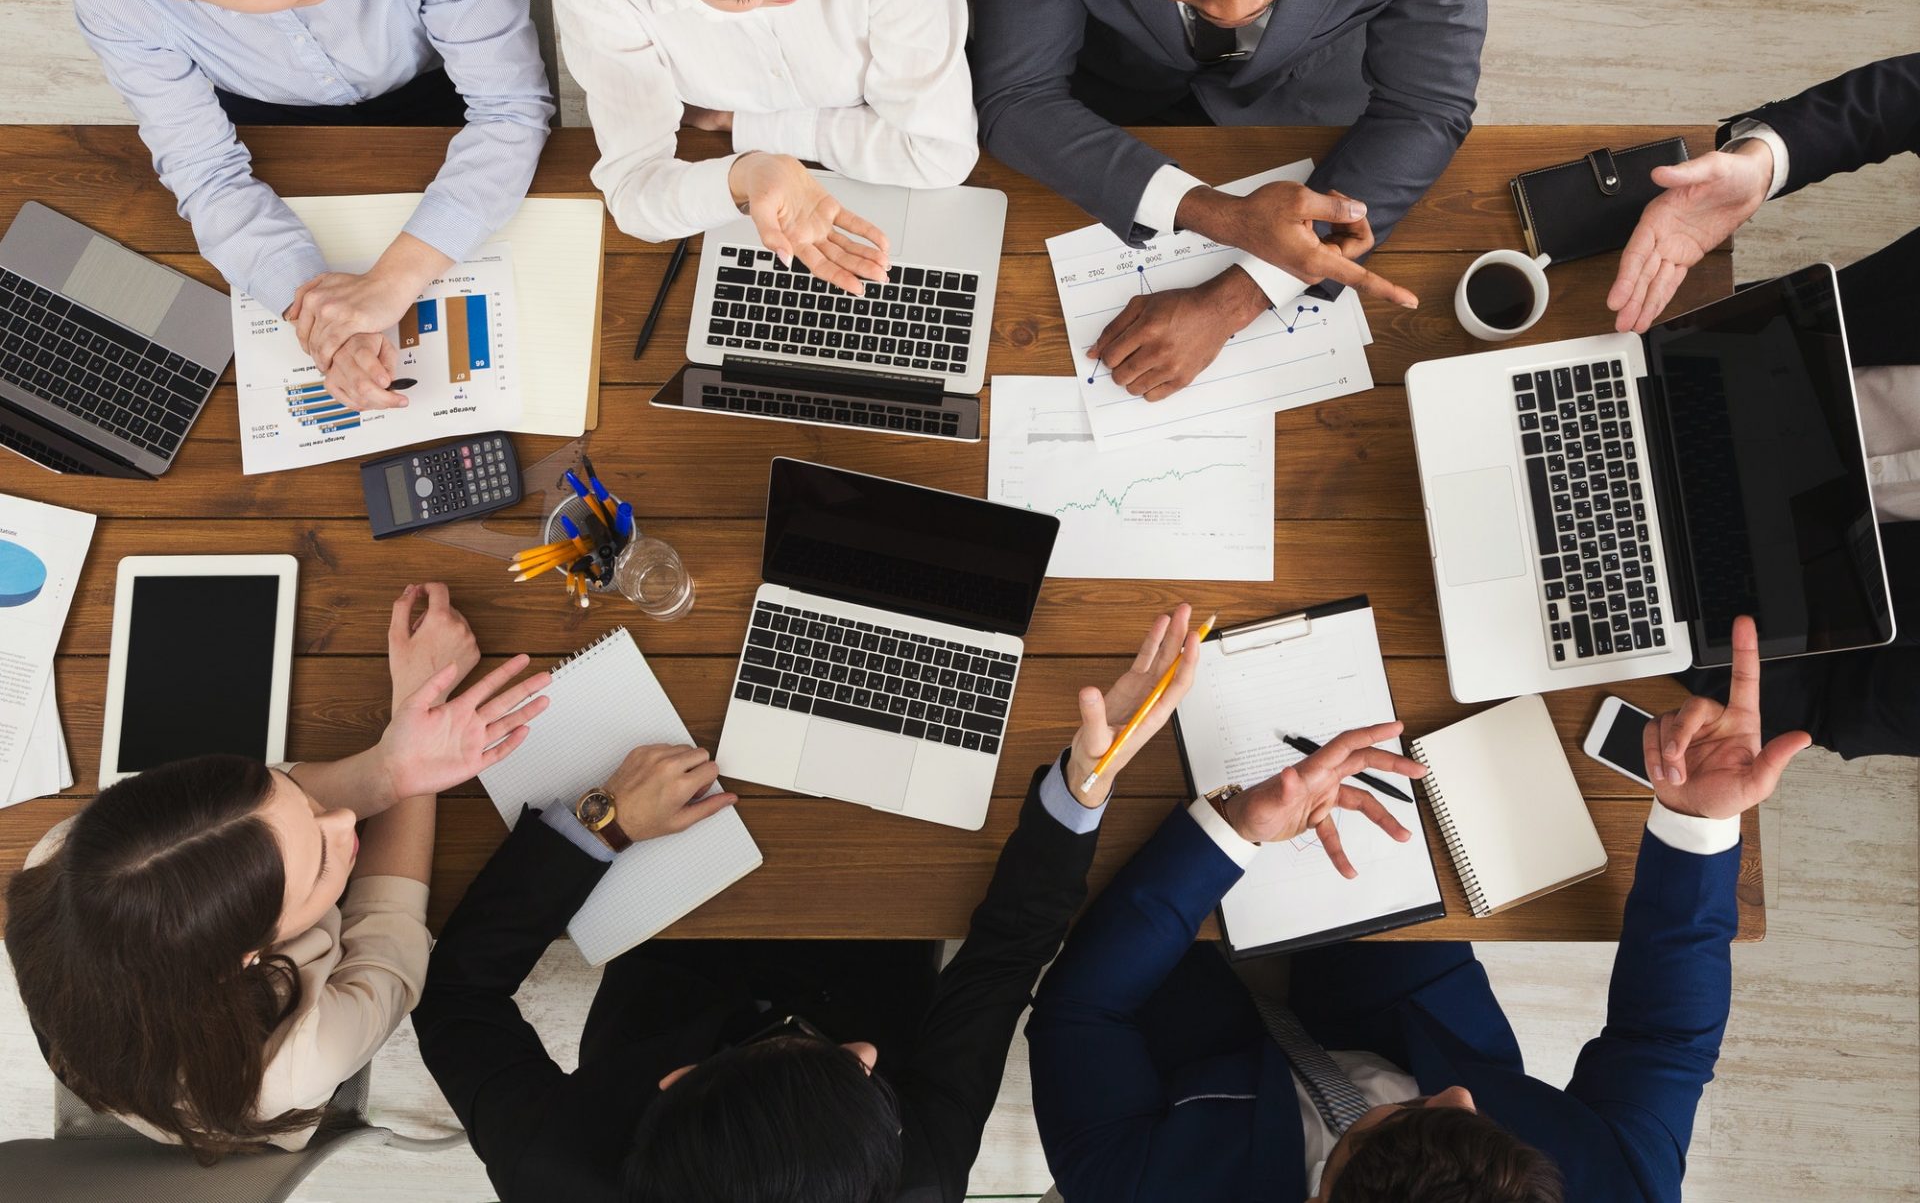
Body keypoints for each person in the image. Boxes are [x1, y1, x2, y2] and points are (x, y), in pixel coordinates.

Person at [411, 606, 1203, 1202]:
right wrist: (1086, 779)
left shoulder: (556, 1166)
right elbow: (1001, 961)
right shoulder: (915, 1170)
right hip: (875, 955)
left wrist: (603, 820)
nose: (867, 1054)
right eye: (870, 1079)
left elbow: (454, 997)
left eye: (832, 1061)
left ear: (678, 1080)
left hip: (668, 959)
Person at [1027, 614, 1808, 1203]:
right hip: (1407, 1012)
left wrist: (1232, 833)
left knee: (1129, 908)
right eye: (1470, 1116)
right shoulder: (1610, 1187)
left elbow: (1079, 1011)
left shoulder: (1140, 1186)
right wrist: (1697, 821)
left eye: (1409, 1116)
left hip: (1189, 1065)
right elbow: (1663, 1039)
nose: (1460, 1091)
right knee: (1385, 813)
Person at [5, 584, 551, 1161]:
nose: (347, 822)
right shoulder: (307, 1057)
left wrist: (394, 766)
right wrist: (416, 716)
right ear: (250, 956)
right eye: (319, 862)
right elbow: (387, 927)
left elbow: (279, 809)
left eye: (290, 795)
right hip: (232, 1090)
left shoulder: (60, 852)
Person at [972, 0, 1486, 401]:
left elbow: (1425, 103)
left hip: (1305, 103)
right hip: (1112, 102)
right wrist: (1220, 216)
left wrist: (1233, 300)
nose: (1235, 10)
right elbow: (1019, 95)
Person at [53, 0, 554, 410]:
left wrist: (390, 283)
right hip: (263, 114)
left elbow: (508, 108)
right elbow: (205, 171)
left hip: (432, 81)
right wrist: (328, 323)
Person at [1605, 54, 1919, 758]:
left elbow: (1835, 706)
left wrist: (1729, 694)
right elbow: (1908, 97)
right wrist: (1766, 164)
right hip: (1686, 350)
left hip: (1672, 588)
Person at [554, 0, 979, 298]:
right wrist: (744, 174)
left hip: (884, 191)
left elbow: (940, 154)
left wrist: (744, 125)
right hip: (773, 180)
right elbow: (634, 193)